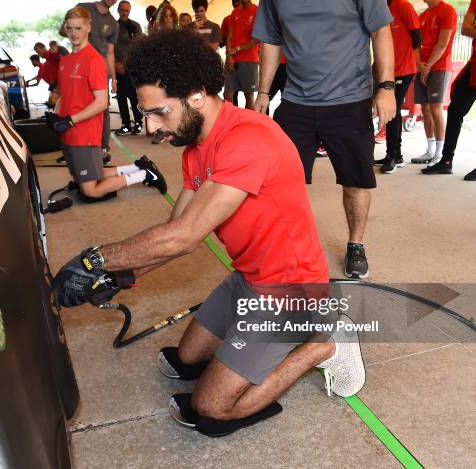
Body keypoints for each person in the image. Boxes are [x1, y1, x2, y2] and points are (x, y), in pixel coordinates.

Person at [52, 29, 366, 437]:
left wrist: (95, 259)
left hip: (290, 289)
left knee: (210, 407)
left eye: (159, 112)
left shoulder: (248, 139)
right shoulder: (195, 146)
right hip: (248, 276)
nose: (150, 128)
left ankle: (326, 345)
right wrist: (122, 276)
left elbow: (186, 236)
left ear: (197, 95)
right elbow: (175, 230)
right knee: (185, 359)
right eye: (146, 113)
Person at [252, 0, 396, 280]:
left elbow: (381, 31)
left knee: (356, 179)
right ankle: (287, 246)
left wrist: (386, 87)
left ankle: (356, 245)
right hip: (295, 99)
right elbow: (270, 41)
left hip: (350, 99)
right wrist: (264, 92)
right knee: (279, 181)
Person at [55, 7, 167, 202]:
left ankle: (144, 175)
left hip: (84, 134)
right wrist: (56, 115)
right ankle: (137, 167)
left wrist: (71, 120)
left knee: (90, 191)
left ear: (88, 27)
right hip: (68, 132)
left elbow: (101, 102)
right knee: (84, 179)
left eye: (79, 28)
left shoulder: (94, 60)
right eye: (70, 28)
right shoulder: (65, 60)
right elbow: (65, 96)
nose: (74, 33)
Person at [422, 0, 476, 179]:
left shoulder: (447, 10)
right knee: (455, 109)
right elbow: (466, 28)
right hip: (474, 64)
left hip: (448, 67)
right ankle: (446, 161)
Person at [63, 0, 120, 165]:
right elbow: (64, 30)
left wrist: (114, 78)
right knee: (76, 103)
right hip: (79, 64)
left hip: (99, 68)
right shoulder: (83, 7)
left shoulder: (113, 23)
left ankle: (103, 148)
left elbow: (110, 52)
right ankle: (74, 145)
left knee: (103, 107)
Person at [374, 0, 423, 174]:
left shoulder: (403, 6)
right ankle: (396, 155)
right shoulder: (381, 7)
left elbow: (417, 37)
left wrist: (403, 55)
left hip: (403, 69)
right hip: (388, 71)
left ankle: (392, 156)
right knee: (389, 113)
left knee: (392, 112)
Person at [410, 0, 457, 166]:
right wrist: (419, 64)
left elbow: (443, 43)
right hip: (424, 66)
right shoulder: (423, 15)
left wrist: (428, 66)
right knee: (425, 108)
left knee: (436, 107)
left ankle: (439, 154)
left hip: (440, 66)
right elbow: (416, 43)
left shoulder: (447, 10)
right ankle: (430, 150)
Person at [114, 1, 144, 136]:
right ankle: (125, 125)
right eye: (122, 10)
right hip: (117, 68)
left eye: (127, 10)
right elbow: (109, 48)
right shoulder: (113, 26)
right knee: (120, 97)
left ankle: (138, 123)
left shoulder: (135, 26)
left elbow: (139, 47)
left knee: (134, 97)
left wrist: (129, 64)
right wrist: (115, 64)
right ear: (118, 10)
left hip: (132, 68)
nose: (125, 12)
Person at [223, 0, 260, 109]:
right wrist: (229, 56)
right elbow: (229, 36)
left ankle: (248, 124)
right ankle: (232, 123)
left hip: (249, 60)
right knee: (227, 95)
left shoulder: (257, 11)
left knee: (248, 96)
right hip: (233, 60)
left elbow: (257, 39)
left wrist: (238, 48)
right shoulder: (235, 12)